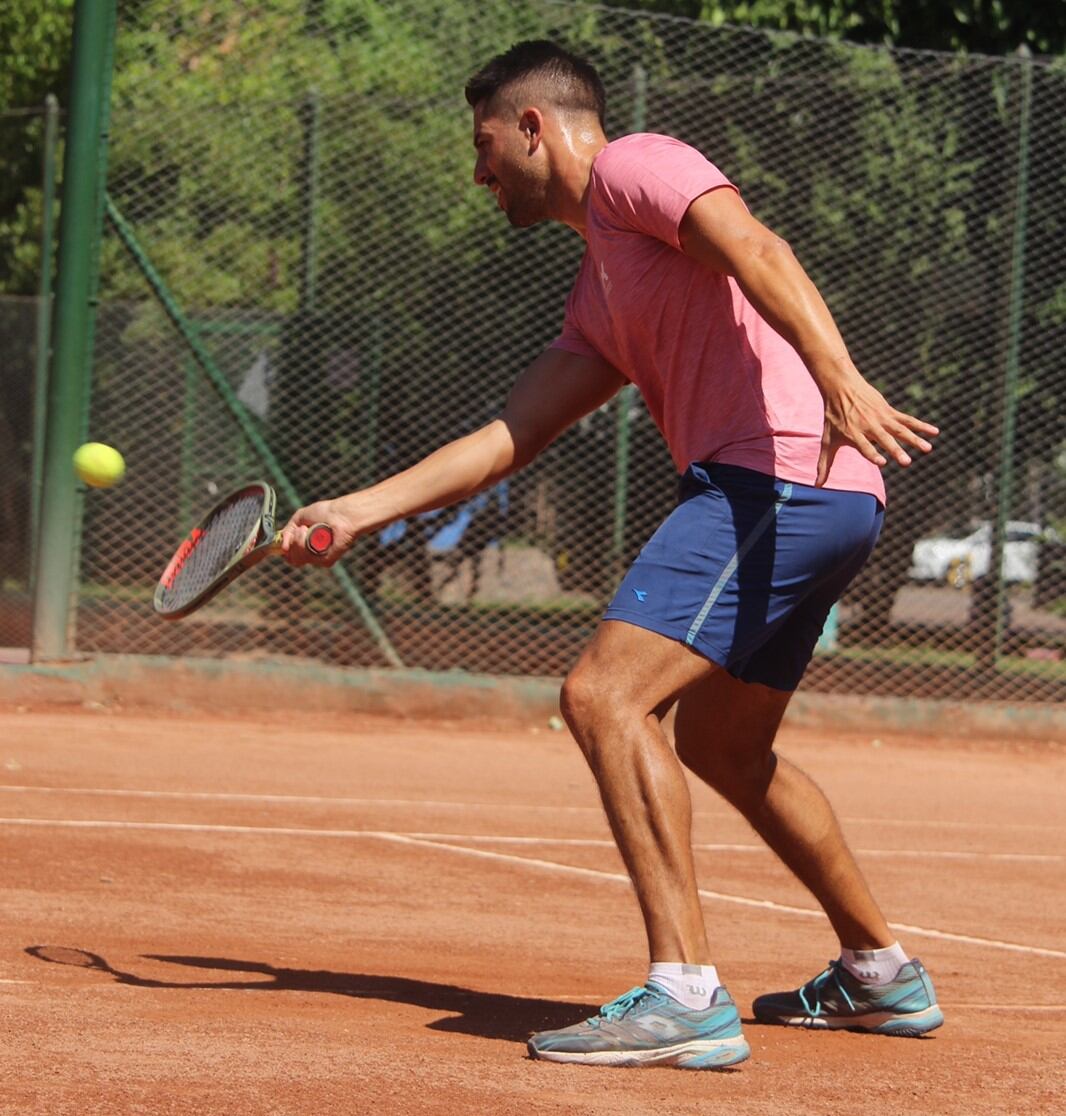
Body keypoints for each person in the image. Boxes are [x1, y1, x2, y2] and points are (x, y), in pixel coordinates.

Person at [281, 40, 943, 1070]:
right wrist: (359, 511)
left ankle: (681, 992)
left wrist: (841, 382)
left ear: (535, 127)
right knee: (723, 747)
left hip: (777, 480)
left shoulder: (638, 163)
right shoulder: (603, 286)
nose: (478, 172)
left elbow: (758, 249)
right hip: (820, 498)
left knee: (603, 695)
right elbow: (513, 435)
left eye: (485, 143)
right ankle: (878, 972)